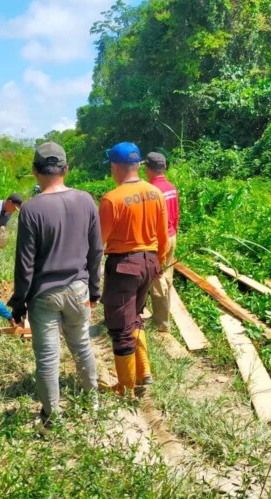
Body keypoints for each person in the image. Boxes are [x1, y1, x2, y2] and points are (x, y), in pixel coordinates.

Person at [9, 142, 103, 427]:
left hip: (44, 296)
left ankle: (53, 417)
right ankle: (93, 404)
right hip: (78, 289)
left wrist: (18, 303)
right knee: (82, 346)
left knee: (48, 358)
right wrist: (95, 289)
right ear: (66, 169)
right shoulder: (86, 200)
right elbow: (96, 250)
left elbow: (25, 264)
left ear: (35, 171)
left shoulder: (32, 209)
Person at [99, 142, 168, 396]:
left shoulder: (111, 199)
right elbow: (162, 236)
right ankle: (144, 372)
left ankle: (125, 386)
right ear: (138, 165)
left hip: (123, 267)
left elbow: (99, 243)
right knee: (136, 316)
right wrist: (156, 264)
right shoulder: (155, 193)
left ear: (114, 167)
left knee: (120, 326)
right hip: (149, 262)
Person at [145, 152, 179, 333]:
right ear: (164, 167)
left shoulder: (151, 190)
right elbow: (176, 214)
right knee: (167, 276)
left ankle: (161, 324)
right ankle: (164, 314)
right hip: (172, 235)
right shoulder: (171, 187)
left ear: (147, 169)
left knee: (157, 280)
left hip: (159, 239)